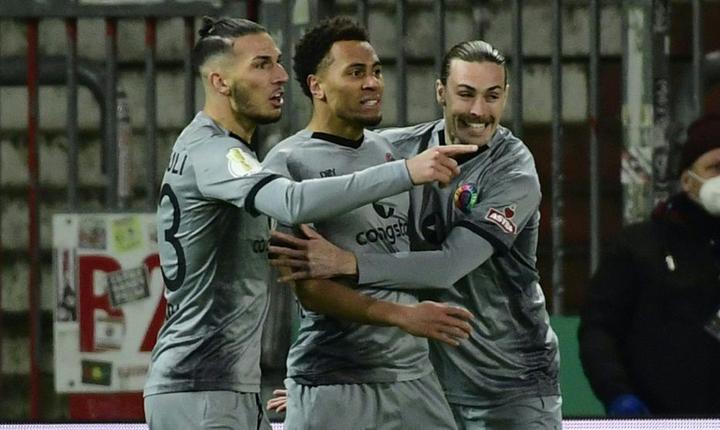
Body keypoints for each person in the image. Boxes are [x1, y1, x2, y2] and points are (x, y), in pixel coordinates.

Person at [143, 16, 477, 430]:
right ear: (220, 82)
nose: (281, 76)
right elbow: (291, 202)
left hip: (228, 387)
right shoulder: (219, 154)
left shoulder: (233, 154)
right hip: (201, 388)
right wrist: (406, 172)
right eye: (262, 64)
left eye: (278, 62)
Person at [269, 40, 562, 430]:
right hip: (432, 384)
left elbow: (449, 267)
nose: (479, 111)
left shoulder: (513, 171)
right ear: (441, 92)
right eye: (465, 94)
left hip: (511, 385)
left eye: (492, 96)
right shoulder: (397, 151)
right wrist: (322, 391)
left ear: (505, 96)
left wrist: (348, 264)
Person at [260, 17, 478, 430]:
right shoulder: (289, 163)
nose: (373, 83)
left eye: (376, 71)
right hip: (336, 379)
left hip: (411, 378)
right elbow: (310, 290)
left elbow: (398, 253)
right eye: (356, 72)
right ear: (316, 86)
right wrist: (402, 316)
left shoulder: (389, 153)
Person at [578, 114, 720, 416]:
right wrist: (616, 393)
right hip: (661, 417)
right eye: (716, 167)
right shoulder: (640, 246)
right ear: (688, 181)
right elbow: (599, 329)